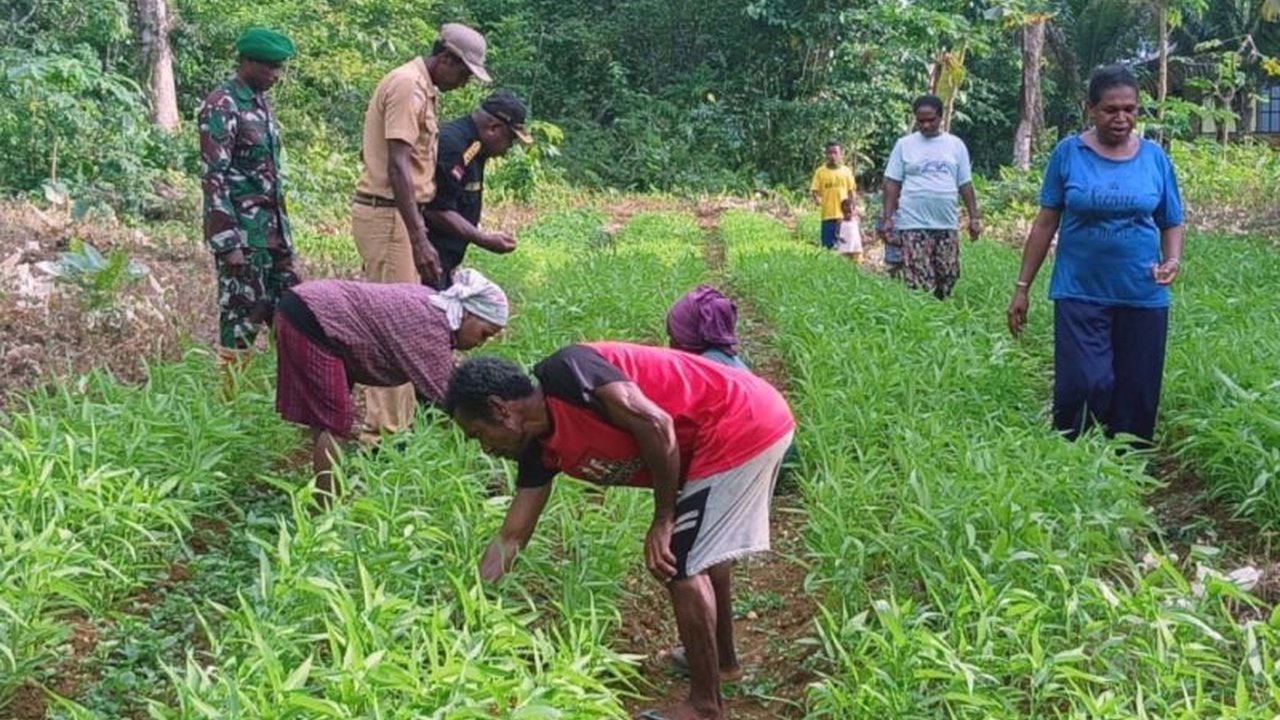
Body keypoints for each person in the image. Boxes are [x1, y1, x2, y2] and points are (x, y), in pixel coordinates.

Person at [445, 343, 795, 720]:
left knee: (678, 562)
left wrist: (663, 518)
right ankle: (723, 662)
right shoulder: (538, 450)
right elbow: (511, 537)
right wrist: (466, 608)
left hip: (739, 420)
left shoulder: (567, 372)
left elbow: (656, 423)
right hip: (721, 434)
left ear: (501, 409)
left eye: (479, 434)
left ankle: (705, 706)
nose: (485, 448)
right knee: (698, 550)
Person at [1007, 65, 1184, 444]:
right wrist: (1022, 287)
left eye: (1130, 109)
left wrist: (1172, 260)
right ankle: (1077, 462)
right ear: (1090, 109)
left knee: (1137, 389)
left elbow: (1171, 219)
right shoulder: (1068, 154)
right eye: (1110, 109)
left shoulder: (1154, 158)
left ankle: (1128, 470)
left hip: (1142, 293)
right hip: (1080, 291)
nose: (1121, 118)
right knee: (1085, 382)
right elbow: (1045, 223)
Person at [351, 23, 490, 442]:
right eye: (463, 73)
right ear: (445, 58)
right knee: (392, 326)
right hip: (390, 218)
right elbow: (397, 165)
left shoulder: (422, 88)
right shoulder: (409, 86)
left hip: (397, 217)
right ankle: (385, 435)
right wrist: (418, 237)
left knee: (405, 321)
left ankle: (397, 424)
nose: (464, 83)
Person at [274, 269, 508, 500]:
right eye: (484, 334)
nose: (481, 343)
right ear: (467, 314)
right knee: (335, 424)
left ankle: (327, 491)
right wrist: (489, 435)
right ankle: (327, 509)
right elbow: (449, 398)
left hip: (306, 309)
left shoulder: (432, 310)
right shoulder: (430, 326)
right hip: (314, 318)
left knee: (327, 420)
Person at [198, 27, 300, 389]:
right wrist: (228, 243)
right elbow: (215, 178)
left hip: (274, 234)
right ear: (245, 61)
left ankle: (290, 395)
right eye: (269, 67)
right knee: (241, 318)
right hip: (243, 235)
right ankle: (231, 400)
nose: (275, 74)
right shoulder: (221, 105)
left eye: (279, 67)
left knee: (292, 312)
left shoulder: (259, 102)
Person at [421, 90, 532, 289]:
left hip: (443, 262)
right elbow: (436, 209)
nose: (508, 148)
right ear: (494, 128)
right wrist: (484, 239)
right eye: (510, 140)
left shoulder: (474, 148)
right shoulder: (453, 145)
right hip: (425, 262)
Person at [879, 94, 983, 299]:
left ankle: (941, 310)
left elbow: (965, 184)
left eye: (931, 120)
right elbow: (891, 183)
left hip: (945, 222)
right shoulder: (904, 145)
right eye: (921, 120)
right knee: (919, 277)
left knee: (949, 273)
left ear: (941, 117)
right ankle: (924, 319)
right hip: (912, 222)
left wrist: (974, 217)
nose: (925, 125)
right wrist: (888, 217)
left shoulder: (955, 145)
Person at [809, 140, 858, 253]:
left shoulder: (846, 172)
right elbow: (814, 190)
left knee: (845, 247)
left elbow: (852, 192)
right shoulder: (820, 172)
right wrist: (817, 199)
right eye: (829, 153)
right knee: (827, 248)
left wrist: (853, 209)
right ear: (826, 154)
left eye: (835, 152)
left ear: (841, 154)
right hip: (827, 215)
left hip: (844, 216)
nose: (832, 156)